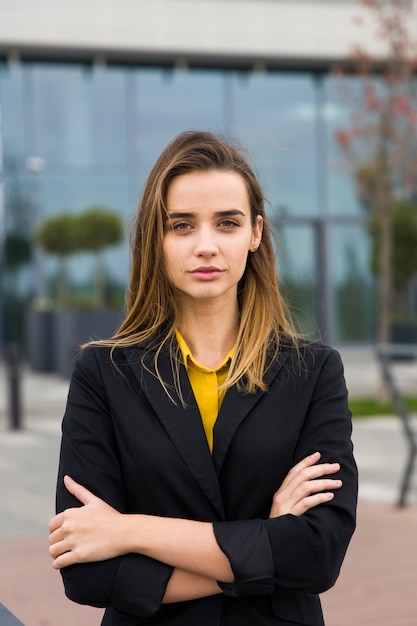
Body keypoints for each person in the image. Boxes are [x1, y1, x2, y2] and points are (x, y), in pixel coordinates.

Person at [48, 130, 358, 626]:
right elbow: (86, 573)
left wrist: (131, 531)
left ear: (255, 233)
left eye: (227, 223)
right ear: (157, 237)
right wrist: (265, 540)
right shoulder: (103, 374)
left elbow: (318, 554)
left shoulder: (314, 372)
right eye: (183, 225)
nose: (206, 246)